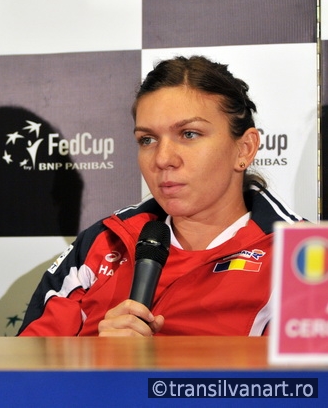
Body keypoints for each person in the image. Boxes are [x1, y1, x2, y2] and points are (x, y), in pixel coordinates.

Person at [18, 55, 303, 337]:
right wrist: (96, 359)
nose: (163, 159)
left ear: (244, 149)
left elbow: (305, 381)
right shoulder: (104, 242)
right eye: (147, 140)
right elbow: (21, 370)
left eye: (189, 134)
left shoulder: (299, 255)